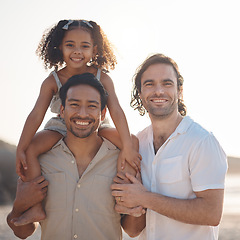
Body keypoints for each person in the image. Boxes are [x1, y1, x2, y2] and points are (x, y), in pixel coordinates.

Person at [15, 19, 140, 226]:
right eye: (70, 45)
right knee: (31, 149)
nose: (77, 51)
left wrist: (126, 146)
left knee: (132, 143)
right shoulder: (52, 80)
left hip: (96, 123)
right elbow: (36, 114)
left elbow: (116, 110)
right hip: (60, 125)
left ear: (95, 49)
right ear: (60, 47)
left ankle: (124, 200)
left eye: (84, 46)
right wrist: (20, 146)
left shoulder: (102, 77)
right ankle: (35, 206)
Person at [8, 73, 140, 240]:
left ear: (103, 113)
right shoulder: (40, 159)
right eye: (74, 104)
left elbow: (134, 231)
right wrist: (19, 206)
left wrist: (138, 200)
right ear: (62, 111)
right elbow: (22, 232)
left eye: (92, 106)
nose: (82, 113)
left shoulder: (121, 160)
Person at [111, 53, 228, 239]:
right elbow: (133, 230)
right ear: (140, 93)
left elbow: (211, 214)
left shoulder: (201, 142)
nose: (158, 91)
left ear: (179, 90)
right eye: (149, 84)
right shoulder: (137, 144)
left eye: (167, 83)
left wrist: (145, 198)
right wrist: (133, 205)